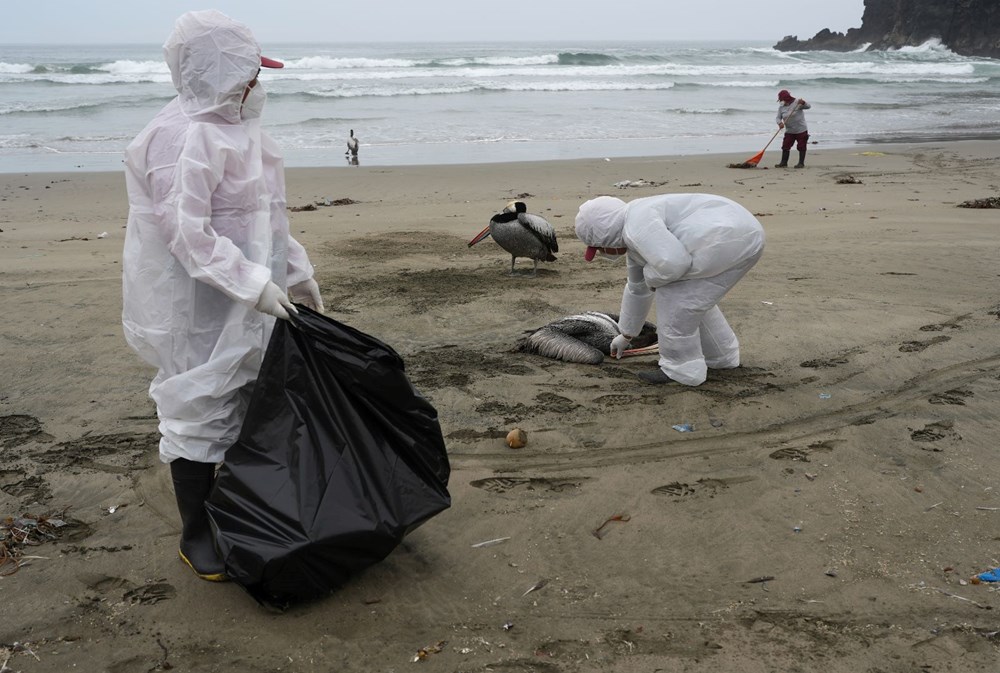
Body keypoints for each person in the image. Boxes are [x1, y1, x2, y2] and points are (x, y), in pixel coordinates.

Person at [122, 10, 324, 582]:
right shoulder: (179, 137)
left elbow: (268, 219)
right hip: (191, 302)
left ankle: (233, 508)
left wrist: (294, 271)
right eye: (250, 72)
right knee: (198, 401)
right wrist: (252, 283)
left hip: (245, 294)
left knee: (247, 397)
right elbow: (186, 232)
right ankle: (193, 532)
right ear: (220, 71)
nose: (258, 83)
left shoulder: (246, 132)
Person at [575, 194, 765, 386]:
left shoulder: (637, 226)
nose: (602, 252)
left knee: (674, 294)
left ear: (606, 235)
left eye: (599, 247)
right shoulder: (635, 225)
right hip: (746, 235)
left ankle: (682, 370)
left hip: (723, 238)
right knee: (695, 298)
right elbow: (637, 289)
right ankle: (721, 357)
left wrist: (652, 278)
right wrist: (626, 334)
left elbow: (673, 264)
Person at [775, 89, 811, 168]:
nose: (781, 101)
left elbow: (808, 106)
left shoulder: (797, 102)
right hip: (789, 131)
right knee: (785, 146)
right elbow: (778, 118)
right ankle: (784, 163)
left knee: (801, 146)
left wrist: (804, 103)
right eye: (780, 100)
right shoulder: (781, 107)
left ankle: (801, 163)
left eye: (782, 99)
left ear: (787, 98)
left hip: (801, 129)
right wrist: (780, 123)